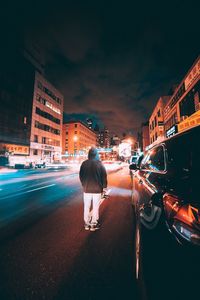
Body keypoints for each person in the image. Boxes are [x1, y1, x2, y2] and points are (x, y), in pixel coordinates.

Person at [79, 147, 107, 231]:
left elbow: (81, 176)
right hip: (97, 189)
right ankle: (94, 223)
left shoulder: (84, 163)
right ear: (96, 154)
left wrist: (84, 184)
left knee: (86, 206)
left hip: (87, 189)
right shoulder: (100, 164)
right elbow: (104, 176)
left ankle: (87, 223)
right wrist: (104, 186)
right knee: (95, 207)